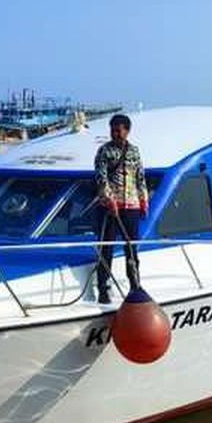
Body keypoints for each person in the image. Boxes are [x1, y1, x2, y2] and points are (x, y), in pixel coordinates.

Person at [93, 113, 149, 304]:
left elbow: (140, 177)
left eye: (119, 130)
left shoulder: (134, 151)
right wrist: (110, 201)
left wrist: (143, 201)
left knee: (132, 248)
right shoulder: (104, 152)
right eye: (113, 130)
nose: (115, 134)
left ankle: (135, 284)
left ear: (127, 131)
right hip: (110, 208)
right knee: (106, 249)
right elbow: (101, 178)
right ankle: (103, 287)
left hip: (130, 205)